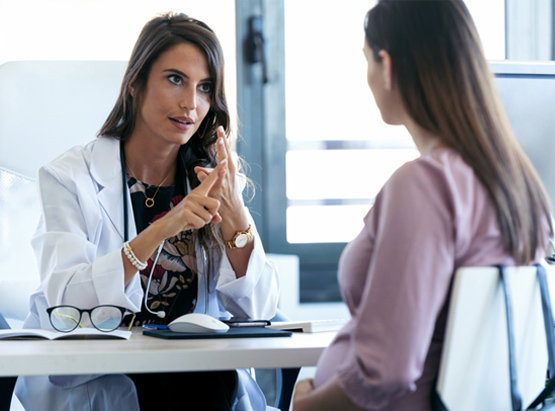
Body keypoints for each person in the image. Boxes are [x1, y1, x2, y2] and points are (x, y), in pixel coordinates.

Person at [292, 1, 553, 410]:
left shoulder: (425, 185)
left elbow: (386, 372)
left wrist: (309, 404)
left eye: (367, 61)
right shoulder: (522, 189)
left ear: (388, 66)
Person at [14, 12, 279, 411]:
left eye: (205, 87)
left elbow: (259, 312)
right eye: (175, 79)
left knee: (204, 376)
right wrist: (162, 228)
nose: (191, 103)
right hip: (104, 375)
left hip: (199, 375)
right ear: (135, 83)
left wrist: (237, 217)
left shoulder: (212, 182)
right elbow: (66, 302)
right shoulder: (69, 178)